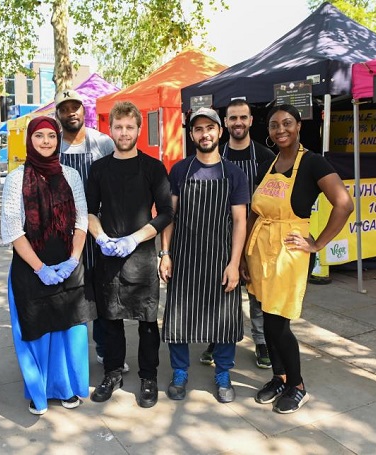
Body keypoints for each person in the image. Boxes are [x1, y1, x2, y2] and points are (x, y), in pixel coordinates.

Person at [242, 104, 353, 414]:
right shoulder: (270, 163)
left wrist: (317, 243)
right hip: (260, 250)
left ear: (298, 125)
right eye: (275, 125)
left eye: (287, 123)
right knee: (266, 317)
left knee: (278, 323)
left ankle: (298, 385)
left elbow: (344, 204)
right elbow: (254, 211)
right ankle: (280, 377)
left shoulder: (314, 163)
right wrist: (241, 257)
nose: (281, 130)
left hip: (289, 253)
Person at [1, 116, 96, 415]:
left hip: (67, 264)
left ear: (58, 140)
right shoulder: (17, 178)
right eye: (39, 136)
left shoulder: (71, 175)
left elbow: (82, 220)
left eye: (51, 136)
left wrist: (73, 260)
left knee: (69, 330)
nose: (45, 141)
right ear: (30, 140)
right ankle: (38, 392)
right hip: (31, 267)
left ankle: (67, 388)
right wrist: (40, 268)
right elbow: (13, 229)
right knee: (38, 330)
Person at [87, 101, 173, 409]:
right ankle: (112, 372)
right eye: (119, 127)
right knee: (110, 319)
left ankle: (148, 376)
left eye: (130, 127)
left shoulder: (152, 167)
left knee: (147, 321)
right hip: (109, 259)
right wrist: (102, 238)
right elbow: (88, 211)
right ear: (110, 130)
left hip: (142, 259)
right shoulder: (99, 169)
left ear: (139, 130)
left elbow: (165, 213)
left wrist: (135, 238)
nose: (124, 132)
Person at [160, 107, 248, 403]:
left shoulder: (234, 174)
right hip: (184, 256)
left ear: (219, 131)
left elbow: (239, 221)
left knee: (224, 317)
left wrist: (234, 264)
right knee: (178, 317)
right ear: (192, 134)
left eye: (209, 128)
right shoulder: (180, 170)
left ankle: (223, 372)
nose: (204, 134)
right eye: (198, 129)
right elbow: (169, 215)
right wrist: (165, 253)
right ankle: (180, 371)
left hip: (220, 257)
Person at [54, 89, 129, 372]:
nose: (71, 112)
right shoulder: (54, 145)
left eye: (75, 107)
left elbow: (119, 178)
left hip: (99, 228)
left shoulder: (102, 143)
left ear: (83, 110)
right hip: (65, 230)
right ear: (58, 114)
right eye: (65, 109)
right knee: (71, 291)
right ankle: (71, 355)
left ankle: (107, 348)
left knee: (103, 290)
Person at [200, 99, 276, 369]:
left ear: (251, 121)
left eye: (243, 117)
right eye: (233, 118)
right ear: (225, 124)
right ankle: (217, 338)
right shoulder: (216, 156)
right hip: (223, 235)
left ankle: (261, 341)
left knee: (257, 294)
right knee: (223, 290)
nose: (238, 123)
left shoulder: (266, 157)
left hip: (258, 235)